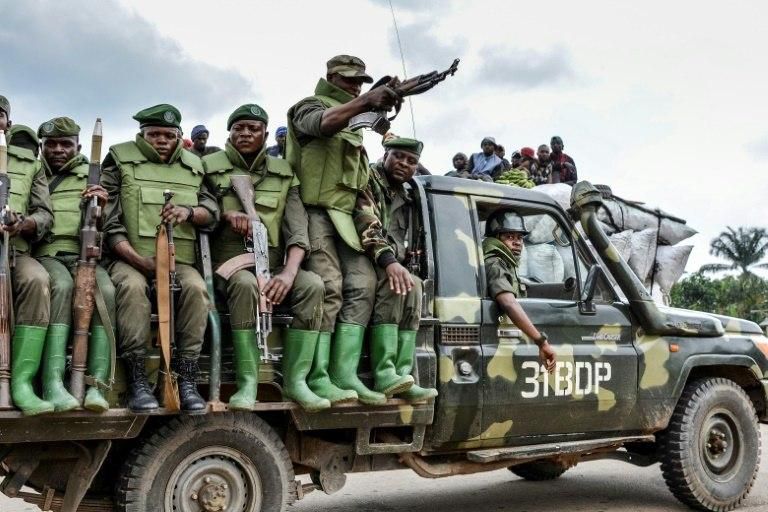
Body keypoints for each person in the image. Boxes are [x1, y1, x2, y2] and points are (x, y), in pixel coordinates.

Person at [286, 54, 400, 406]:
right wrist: (366, 100)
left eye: (361, 83)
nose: (355, 86)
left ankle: (343, 373)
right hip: (311, 213)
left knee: (365, 283)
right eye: (350, 80)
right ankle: (313, 376)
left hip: (345, 218)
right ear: (331, 76)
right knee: (329, 286)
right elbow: (321, 124)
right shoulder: (309, 106)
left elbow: (359, 192)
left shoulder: (356, 125)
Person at [203, 104, 328, 412]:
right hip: (228, 266)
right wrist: (225, 215)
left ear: (265, 134)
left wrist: (287, 273)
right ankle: (248, 381)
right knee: (246, 285)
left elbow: (298, 230)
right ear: (229, 132)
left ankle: (295, 381)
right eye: (239, 128)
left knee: (312, 284)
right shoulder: (208, 166)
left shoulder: (284, 174)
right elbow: (199, 208)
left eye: (253, 128)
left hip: (271, 263)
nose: (245, 133)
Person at [101, 104, 219, 413]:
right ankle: (138, 380)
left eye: (169, 135)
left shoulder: (195, 166)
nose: (162, 140)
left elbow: (212, 211)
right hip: (130, 259)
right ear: (141, 135)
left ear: (180, 136)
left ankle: (186, 378)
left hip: (180, 261)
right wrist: (141, 262)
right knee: (131, 289)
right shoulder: (119, 159)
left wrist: (189, 212)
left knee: (196, 290)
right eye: (154, 134)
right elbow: (109, 224)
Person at [34, 117, 116, 413]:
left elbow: (109, 225)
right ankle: (53, 382)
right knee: (63, 287)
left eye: (65, 144)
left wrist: (101, 208)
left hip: (85, 253)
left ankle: (96, 386)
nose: (58, 150)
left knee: (105, 291)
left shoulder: (93, 176)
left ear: (79, 147)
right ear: (42, 147)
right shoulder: (35, 172)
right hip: (47, 254)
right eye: (51, 144)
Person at [355, 136, 438, 402]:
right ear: (385, 155)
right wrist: (390, 262)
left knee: (414, 288)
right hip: (366, 256)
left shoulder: (406, 193)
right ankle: (385, 372)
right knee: (398, 285)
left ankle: (403, 375)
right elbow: (366, 222)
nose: (404, 164)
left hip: (390, 262)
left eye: (411, 161)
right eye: (398, 156)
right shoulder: (369, 179)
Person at [0, 95, 57, 416]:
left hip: (15, 252)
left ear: (8, 121)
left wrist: (23, 224)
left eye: (0, 115)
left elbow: (44, 215)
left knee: (37, 280)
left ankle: (20, 383)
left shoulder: (29, 163)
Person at [483, 211, 556, 372]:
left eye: (519, 237)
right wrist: (541, 342)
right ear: (496, 239)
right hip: (498, 341)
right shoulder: (495, 263)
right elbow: (508, 303)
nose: (517, 242)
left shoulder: (506, 263)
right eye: (510, 237)